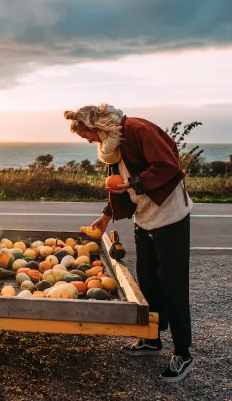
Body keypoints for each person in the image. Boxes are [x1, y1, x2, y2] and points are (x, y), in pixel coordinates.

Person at [64, 104, 194, 383]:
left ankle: (183, 352)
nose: (88, 141)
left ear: (96, 125)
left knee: (172, 284)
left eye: (86, 135)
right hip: (145, 217)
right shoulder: (112, 143)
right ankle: (152, 339)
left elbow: (167, 166)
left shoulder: (137, 129)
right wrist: (105, 216)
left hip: (169, 216)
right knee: (147, 282)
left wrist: (134, 182)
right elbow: (121, 184)